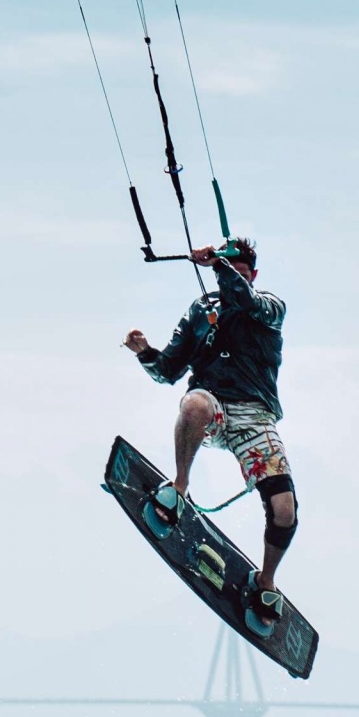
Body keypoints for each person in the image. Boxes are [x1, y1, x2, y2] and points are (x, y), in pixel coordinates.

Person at [122, 237, 297, 633]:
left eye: (241, 272)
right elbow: (168, 370)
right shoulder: (202, 311)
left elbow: (245, 300)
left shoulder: (269, 308)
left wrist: (219, 264)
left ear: (252, 275)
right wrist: (144, 352)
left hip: (255, 416)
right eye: (228, 271)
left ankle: (266, 582)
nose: (234, 278)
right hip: (214, 405)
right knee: (194, 403)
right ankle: (179, 488)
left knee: (284, 510)